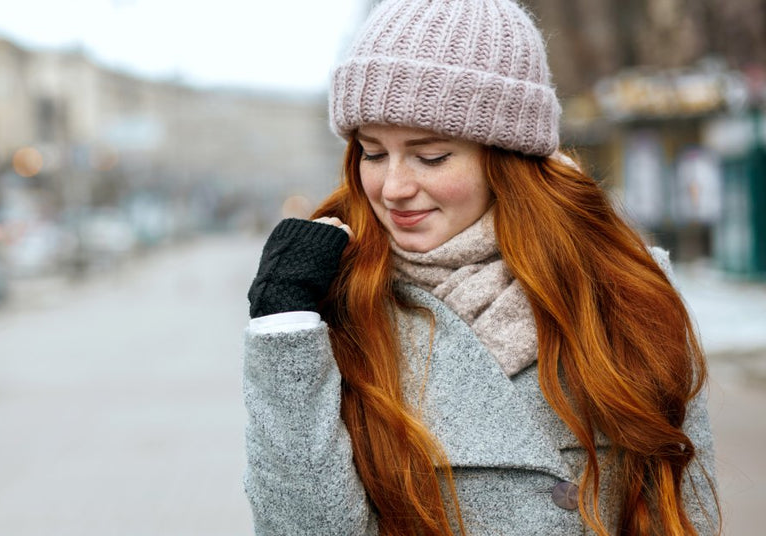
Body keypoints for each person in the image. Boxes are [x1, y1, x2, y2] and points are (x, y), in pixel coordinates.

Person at [241, 0, 720, 535]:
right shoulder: (339, 301)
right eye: (373, 153)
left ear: (507, 158)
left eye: (431, 156)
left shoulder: (624, 288)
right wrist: (284, 327)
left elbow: (682, 510)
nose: (393, 188)